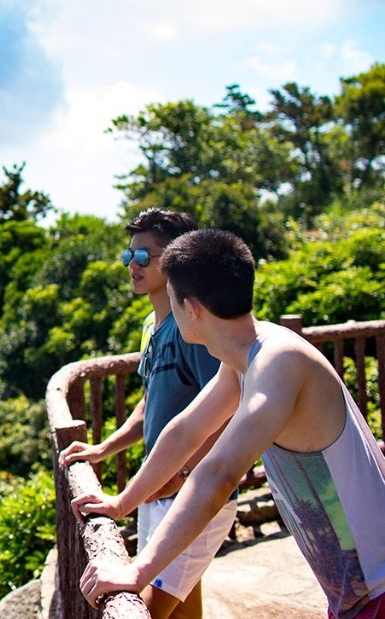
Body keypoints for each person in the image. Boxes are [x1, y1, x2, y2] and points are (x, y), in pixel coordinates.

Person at [74, 229, 385, 618]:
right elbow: (187, 429)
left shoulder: (279, 360)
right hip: (355, 590)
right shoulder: (243, 360)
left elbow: (219, 473)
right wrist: (121, 504)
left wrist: (138, 569)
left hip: (378, 584)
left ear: (192, 308)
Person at [58, 208, 234, 619]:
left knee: (147, 610)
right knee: (179, 610)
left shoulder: (194, 326)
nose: (131, 266)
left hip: (193, 495)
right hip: (166, 491)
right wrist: (103, 449)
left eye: (143, 257)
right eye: (128, 256)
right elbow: (148, 404)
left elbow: (225, 407)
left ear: (176, 260)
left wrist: (184, 473)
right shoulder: (153, 328)